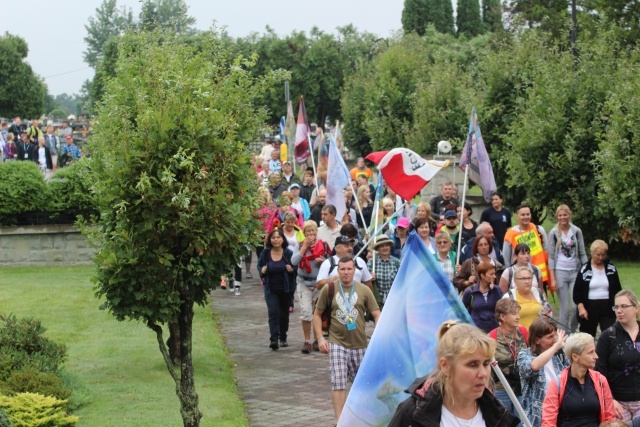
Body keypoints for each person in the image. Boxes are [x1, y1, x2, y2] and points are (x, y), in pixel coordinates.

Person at [389, 321, 520, 427]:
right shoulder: (412, 413)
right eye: (472, 364)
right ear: (445, 366)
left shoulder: (497, 413)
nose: (483, 374)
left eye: (486, 364)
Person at [313, 257, 380, 423]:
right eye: (342, 269)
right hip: (337, 342)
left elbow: (376, 313)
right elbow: (317, 314)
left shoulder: (364, 290)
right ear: (338, 271)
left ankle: (361, 419)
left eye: (349, 269)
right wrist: (320, 338)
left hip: (360, 344)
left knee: (362, 386)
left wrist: (377, 335)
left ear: (355, 271)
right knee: (339, 381)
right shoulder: (329, 289)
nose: (346, 272)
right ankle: (340, 421)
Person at [542, 332, 616, 426]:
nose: (596, 356)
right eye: (590, 352)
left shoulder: (600, 380)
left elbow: (610, 418)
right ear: (575, 357)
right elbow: (549, 420)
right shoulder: (558, 383)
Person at [596, 290, 640, 423]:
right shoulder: (608, 336)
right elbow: (599, 373)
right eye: (616, 307)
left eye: (624, 306)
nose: (619, 311)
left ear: (636, 308)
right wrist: (610, 400)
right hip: (618, 403)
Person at [518, 318, 570, 427]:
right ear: (537, 340)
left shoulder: (560, 355)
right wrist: (556, 346)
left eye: (555, 335)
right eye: (550, 337)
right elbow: (533, 366)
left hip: (560, 412)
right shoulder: (524, 355)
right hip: (536, 417)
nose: (555, 340)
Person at [292, 220, 331, 354]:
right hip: (304, 282)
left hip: (319, 284)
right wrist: (304, 247)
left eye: (313, 230)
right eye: (308, 231)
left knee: (318, 312)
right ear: (304, 232)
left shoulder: (324, 246)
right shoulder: (300, 245)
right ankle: (307, 340)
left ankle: (317, 339)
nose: (311, 233)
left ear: (316, 231)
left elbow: (331, 263)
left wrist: (324, 262)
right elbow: (294, 261)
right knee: (306, 312)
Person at [548, 204, 588, 333]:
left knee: (577, 306)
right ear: (557, 217)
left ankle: (572, 330)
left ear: (569, 215)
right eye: (560, 215)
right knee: (564, 308)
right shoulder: (554, 233)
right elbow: (551, 257)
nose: (563, 217)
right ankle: (563, 336)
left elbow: (582, 253)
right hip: (560, 272)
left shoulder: (576, 231)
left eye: (565, 215)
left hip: (575, 272)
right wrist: (552, 278)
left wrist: (587, 270)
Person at [489, 299, 529, 424]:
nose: (518, 317)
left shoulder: (523, 331)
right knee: (505, 423)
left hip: (522, 387)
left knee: (523, 422)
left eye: (518, 313)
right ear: (502, 317)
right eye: (514, 314)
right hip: (502, 389)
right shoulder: (492, 337)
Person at [258, 228, 298, 350]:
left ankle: (283, 336)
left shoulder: (288, 253)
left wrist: (292, 270)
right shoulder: (265, 253)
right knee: (273, 312)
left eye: (278, 237)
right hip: (270, 288)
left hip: (286, 289)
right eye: (273, 237)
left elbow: (296, 268)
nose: (276, 240)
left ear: (283, 239)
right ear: (270, 240)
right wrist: (262, 271)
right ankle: (274, 338)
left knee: (283, 314)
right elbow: (259, 265)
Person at [573, 240, 622, 337]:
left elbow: (618, 290)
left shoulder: (611, 269)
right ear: (592, 253)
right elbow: (577, 293)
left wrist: (618, 306)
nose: (600, 258)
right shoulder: (584, 270)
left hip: (608, 307)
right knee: (587, 336)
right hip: (589, 307)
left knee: (610, 335)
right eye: (598, 255)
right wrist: (581, 307)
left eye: (603, 255)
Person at [503, 204, 549, 285]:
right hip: (520, 275)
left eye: (528, 214)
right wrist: (510, 275)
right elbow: (506, 256)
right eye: (523, 215)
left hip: (538, 274)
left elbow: (546, 249)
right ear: (517, 216)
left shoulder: (538, 230)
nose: (526, 217)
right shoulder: (510, 234)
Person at [462, 262, 503, 333]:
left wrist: (495, 290)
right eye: (491, 274)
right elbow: (462, 310)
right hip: (476, 331)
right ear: (482, 275)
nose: (495, 276)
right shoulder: (470, 291)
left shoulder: (497, 290)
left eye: (494, 273)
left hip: (494, 330)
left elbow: (502, 308)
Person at [367, 235, 401, 309]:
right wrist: (370, 278)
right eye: (382, 246)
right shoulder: (371, 262)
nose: (385, 248)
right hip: (377, 302)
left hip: (393, 301)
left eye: (387, 245)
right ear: (378, 248)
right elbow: (365, 281)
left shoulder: (397, 262)